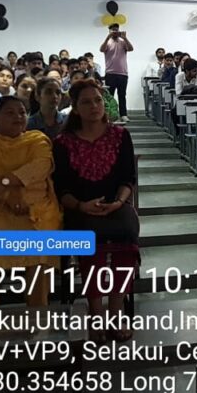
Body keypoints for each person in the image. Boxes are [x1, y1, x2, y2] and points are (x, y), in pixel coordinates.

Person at [53, 80, 139, 340]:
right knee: (91, 244)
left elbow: (128, 179)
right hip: (79, 208)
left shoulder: (120, 135)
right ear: (75, 107)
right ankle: (96, 312)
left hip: (116, 205)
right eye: (86, 102)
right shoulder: (63, 142)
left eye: (98, 100)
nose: (94, 106)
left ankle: (115, 310)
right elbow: (61, 188)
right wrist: (82, 205)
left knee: (127, 236)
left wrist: (119, 202)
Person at [0, 96, 61, 309]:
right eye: (9, 112)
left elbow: (41, 166)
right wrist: (9, 197)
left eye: (22, 112)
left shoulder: (37, 138)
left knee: (41, 240)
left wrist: (5, 182)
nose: (18, 117)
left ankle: (38, 312)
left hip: (32, 209)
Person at [100, 23, 133, 123]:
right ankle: (110, 115)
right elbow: (101, 49)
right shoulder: (108, 42)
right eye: (113, 30)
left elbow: (131, 48)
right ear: (109, 31)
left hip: (123, 73)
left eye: (116, 29)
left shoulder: (123, 42)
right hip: (110, 73)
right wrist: (107, 37)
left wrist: (125, 38)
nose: (115, 31)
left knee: (122, 95)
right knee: (109, 96)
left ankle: (123, 115)